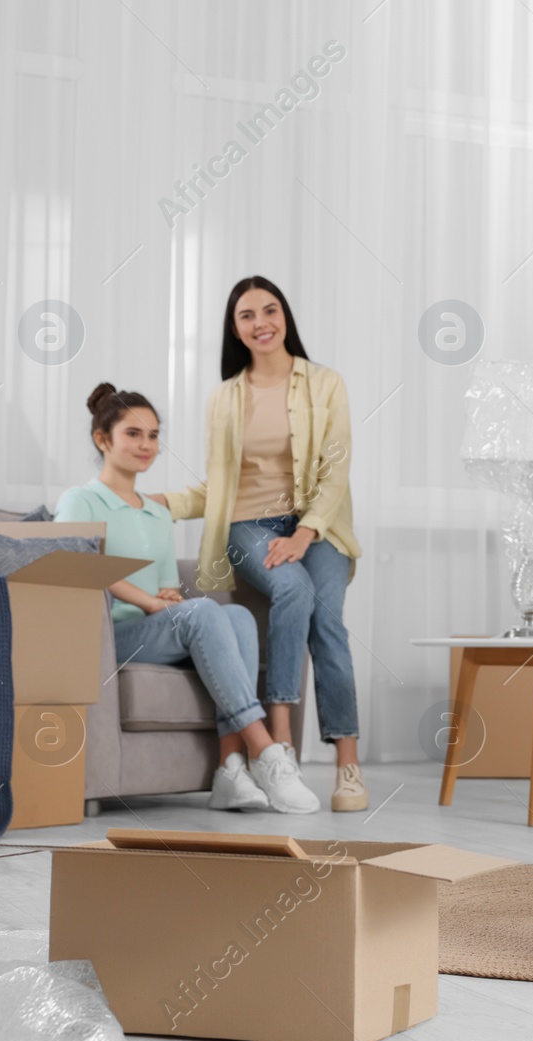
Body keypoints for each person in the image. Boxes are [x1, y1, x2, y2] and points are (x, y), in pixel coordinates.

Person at [152, 277, 368, 813]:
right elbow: (219, 485)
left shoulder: (325, 384)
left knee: (329, 623)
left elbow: (335, 469)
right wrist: (165, 502)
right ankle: (281, 746)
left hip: (320, 526)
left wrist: (304, 532)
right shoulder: (224, 398)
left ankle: (348, 765)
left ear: (285, 316)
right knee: (292, 589)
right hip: (249, 525)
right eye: (247, 315)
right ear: (235, 328)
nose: (261, 322)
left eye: (270, 311)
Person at [57, 384, 321, 814]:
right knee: (203, 611)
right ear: (102, 440)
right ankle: (266, 753)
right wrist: (147, 601)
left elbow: (166, 588)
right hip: (108, 638)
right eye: (133, 434)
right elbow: (74, 566)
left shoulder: (159, 513)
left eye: (153, 435)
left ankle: (230, 770)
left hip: (153, 631)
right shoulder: (80, 500)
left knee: (236, 616)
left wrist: (166, 596)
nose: (146, 445)